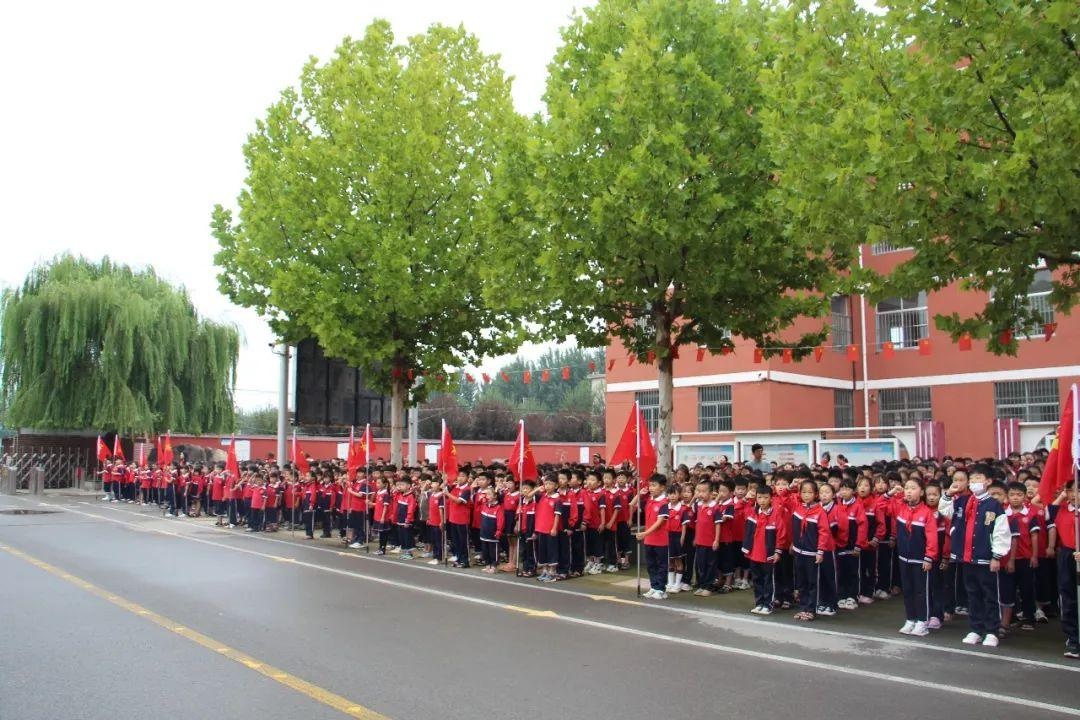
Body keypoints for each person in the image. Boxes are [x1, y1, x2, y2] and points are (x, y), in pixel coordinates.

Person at [939, 465, 1012, 646]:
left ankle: (992, 630)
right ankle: (975, 628)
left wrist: (997, 556)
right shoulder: (963, 501)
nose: (974, 482)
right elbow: (945, 511)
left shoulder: (994, 505)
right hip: (966, 557)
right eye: (972, 479)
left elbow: (1001, 532)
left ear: (987, 482)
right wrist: (949, 493)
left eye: (978, 478)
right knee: (972, 595)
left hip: (985, 557)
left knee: (989, 594)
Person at [894, 478, 938, 636]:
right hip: (904, 558)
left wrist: (929, 557)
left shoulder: (926, 513)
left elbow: (932, 537)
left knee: (921, 591)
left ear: (921, 491)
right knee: (908, 590)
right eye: (906, 488)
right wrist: (891, 494)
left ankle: (922, 621)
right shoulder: (901, 508)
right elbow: (883, 507)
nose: (909, 491)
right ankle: (910, 618)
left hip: (920, 560)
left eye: (913, 488)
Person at [742, 484, 787, 614]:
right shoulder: (752, 512)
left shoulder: (776, 515)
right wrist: (746, 498)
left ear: (771, 499)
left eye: (765, 497)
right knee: (757, 579)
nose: (762, 500)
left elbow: (781, 535)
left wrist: (778, 551)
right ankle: (759, 602)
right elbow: (739, 509)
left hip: (768, 554)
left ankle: (768, 604)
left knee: (768, 580)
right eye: (759, 497)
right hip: (754, 554)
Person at [791, 479, 832, 621]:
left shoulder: (820, 511)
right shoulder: (798, 507)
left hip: (812, 553)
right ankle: (803, 608)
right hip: (798, 551)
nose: (806, 495)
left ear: (816, 494)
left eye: (810, 492)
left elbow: (824, 532)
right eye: (803, 492)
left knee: (812, 582)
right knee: (801, 582)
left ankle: (811, 609)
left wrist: (820, 551)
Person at [1003, 481, 1041, 631]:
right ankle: (1010, 617)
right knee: (1009, 589)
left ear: (1025, 497)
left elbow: (1035, 537)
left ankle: (1029, 617)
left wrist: (1034, 556)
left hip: (1025, 557)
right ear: (1007, 496)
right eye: (1012, 495)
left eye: (1019, 495)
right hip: (1007, 558)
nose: (1015, 498)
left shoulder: (1030, 515)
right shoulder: (1003, 513)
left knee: (1027, 589)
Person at [1048, 482, 1079, 658]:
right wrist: (1063, 495)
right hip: (1067, 555)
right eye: (1070, 490)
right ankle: (1073, 638)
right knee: (1068, 597)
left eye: (1077, 491)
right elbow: (1049, 512)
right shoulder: (1063, 509)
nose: (1073, 494)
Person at [636, 473, 670, 600]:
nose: (651, 488)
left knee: (661, 565)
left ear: (662, 487)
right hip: (649, 540)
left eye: (654, 485)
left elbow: (659, 522)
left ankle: (661, 589)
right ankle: (654, 586)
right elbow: (632, 504)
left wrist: (645, 533)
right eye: (650, 485)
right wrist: (640, 493)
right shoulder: (649, 499)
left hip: (660, 540)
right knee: (651, 565)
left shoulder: (664, 503)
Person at [692, 480, 720, 596]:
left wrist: (716, 540)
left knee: (710, 564)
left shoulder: (715, 507)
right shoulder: (698, 505)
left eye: (704, 491)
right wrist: (695, 538)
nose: (701, 494)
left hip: (710, 542)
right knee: (700, 564)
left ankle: (708, 587)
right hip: (700, 541)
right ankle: (702, 584)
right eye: (698, 491)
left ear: (711, 493)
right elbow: (698, 523)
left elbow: (718, 524)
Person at [534, 474, 563, 583]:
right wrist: (538, 488)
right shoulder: (542, 496)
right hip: (541, 529)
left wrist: (554, 528)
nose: (547, 486)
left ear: (556, 485)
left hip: (550, 530)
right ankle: (545, 571)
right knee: (543, 551)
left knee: (552, 551)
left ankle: (552, 572)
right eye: (546, 484)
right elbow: (527, 496)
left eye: (550, 484)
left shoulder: (557, 499)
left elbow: (557, 515)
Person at [478, 485, 505, 573]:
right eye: (486, 495)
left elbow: (500, 521)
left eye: (489, 494)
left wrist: (499, 531)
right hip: (484, 533)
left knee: (493, 551)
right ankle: (487, 564)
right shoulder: (485, 505)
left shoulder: (498, 508)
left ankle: (494, 566)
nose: (487, 496)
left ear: (495, 496)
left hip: (493, 534)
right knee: (485, 551)